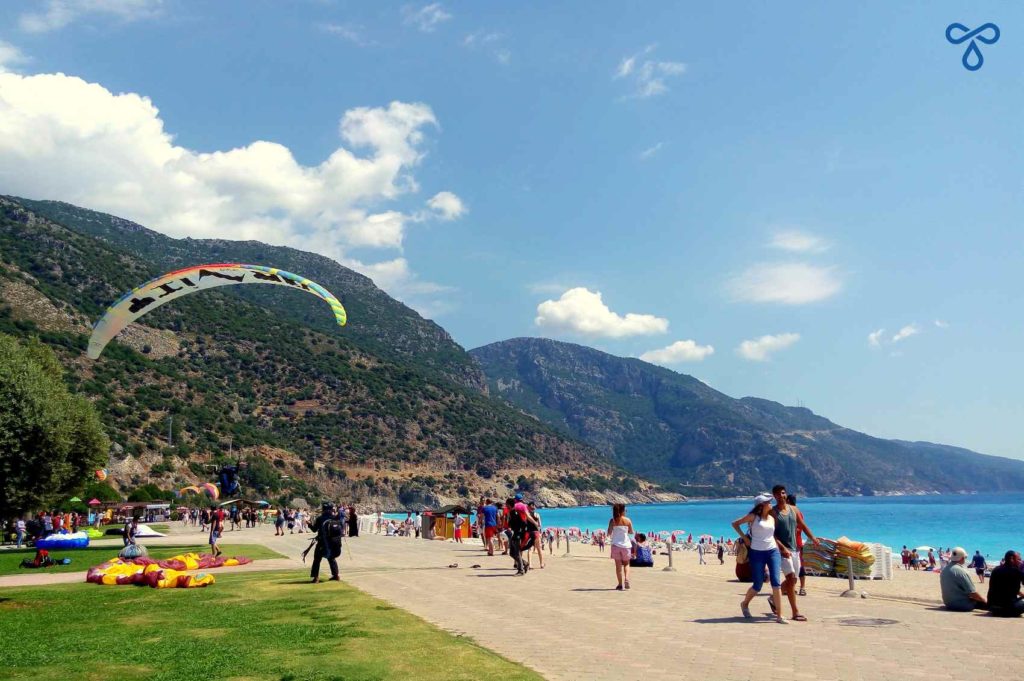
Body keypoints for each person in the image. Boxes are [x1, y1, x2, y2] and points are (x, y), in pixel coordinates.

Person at [732, 494, 785, 624]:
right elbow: (735, 524)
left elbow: (771, 536)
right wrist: (745, 539)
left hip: (773, 551)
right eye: (768, 502)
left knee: (776, 583)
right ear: (762, 505)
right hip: (757, 553)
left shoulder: (772, 518)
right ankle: (745, 604)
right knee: (758, 585)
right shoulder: (753, 517)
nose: (771, 504)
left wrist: (781, 549)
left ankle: (780, 615)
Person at [771, 485, 818, 621]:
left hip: (795, 549)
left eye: (783, 493)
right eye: (778, 494)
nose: (781, 496)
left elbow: (803, 525)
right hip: (782, 551)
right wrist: (782, 548)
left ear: (786, 494)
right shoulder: (773, 513)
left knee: (793, 580)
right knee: (791, 579)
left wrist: (813, 538)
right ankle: (795, 612)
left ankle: (774, 597)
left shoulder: (794, 510)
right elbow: (771, 535)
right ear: (774, 496)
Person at [941, 547, 987, 611]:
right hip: (961, 605)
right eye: (965, 558)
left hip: (948, 603)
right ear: (962, 558)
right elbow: (972, 593)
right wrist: (984, 600)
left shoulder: (945, 569)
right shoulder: (960, 571)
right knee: (983, 602)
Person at [310, 502, 343, 583]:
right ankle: (336, 575)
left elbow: (314, 529)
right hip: (333, 542)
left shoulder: (320, 518)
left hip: (322, 542)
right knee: (331, 558)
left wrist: (308, 524)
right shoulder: (335, 518)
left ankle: (316, 577)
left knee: (317, 559)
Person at [987, 551, 1024, 617]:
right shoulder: (1015, 571)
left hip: (993, 608)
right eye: (1019, 559)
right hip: (1007, 609)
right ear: (1012, 559)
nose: (1020, 562)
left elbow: (1007, 588)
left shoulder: (995, 570)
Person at [608, 503, 634, 590]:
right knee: (626, 564)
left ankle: (620, 584)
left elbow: (609, 533)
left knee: (618, 566)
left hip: (615, 545)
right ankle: (626, 579)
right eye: (625, 510)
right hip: (626, 545)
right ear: (622, 511)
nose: (626, 512)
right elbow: (631, 532)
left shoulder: (613, 521)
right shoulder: (628, 520)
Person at [527, 502, 544, 569]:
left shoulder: (527, 515)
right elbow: (540, 525)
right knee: (539, 548)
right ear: (534, 507)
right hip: (536, 532)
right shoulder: (537, 515)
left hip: (529, 533)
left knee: (530, 549)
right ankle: (541, 564)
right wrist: (540, 533)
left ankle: (530, 564)